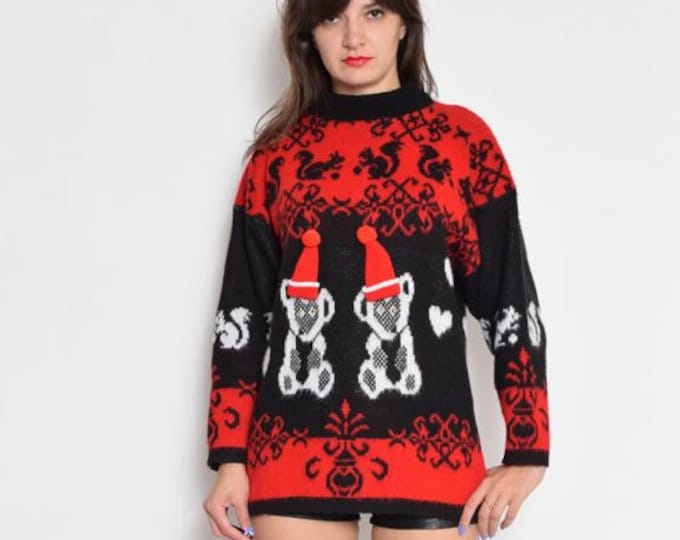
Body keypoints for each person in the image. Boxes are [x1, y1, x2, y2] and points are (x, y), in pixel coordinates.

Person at [202, 1, 550, 539]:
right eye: (331, 17)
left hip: (433, 446)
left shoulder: (461, 141)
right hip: (292, 448)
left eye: (374, 13)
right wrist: (229, 457)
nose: (352, 37)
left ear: (404, 24)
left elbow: (509, 301)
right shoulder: (276, 156)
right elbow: (242, 314)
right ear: (307, 34)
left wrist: (529, 451)